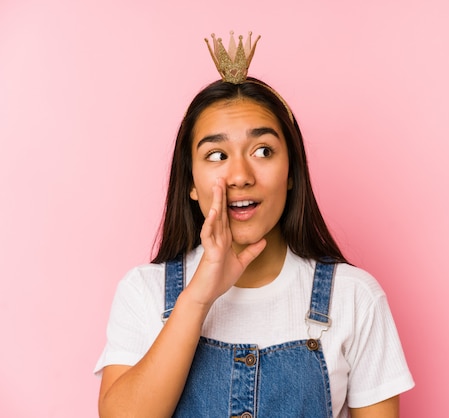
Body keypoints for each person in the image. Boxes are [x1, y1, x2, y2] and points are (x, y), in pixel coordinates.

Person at [94, 32, 414, 418]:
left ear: (292, 171)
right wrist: (197, 297)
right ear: (191, 183)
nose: (240, 175)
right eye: (216, 154)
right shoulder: (145, 291)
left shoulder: (354, 298)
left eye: (263, 151)